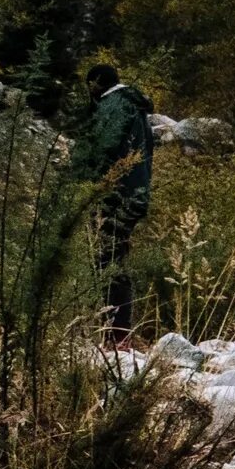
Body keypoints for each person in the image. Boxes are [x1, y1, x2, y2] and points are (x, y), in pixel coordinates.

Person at [73, 62, 155, 339]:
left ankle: (115, 336)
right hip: (134, 196)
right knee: (114, 259)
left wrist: (82, 187)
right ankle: (117, 333)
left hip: (114, 197)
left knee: (108, 262)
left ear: (96, 84)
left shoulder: (112, 107)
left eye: (90, 86)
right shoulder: (136, 108)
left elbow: (100, 152)